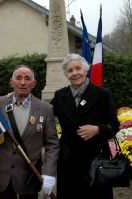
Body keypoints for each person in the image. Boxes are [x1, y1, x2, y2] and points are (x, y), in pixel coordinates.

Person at [51, 54, 120, 199]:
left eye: (78, 68)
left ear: (85, 69)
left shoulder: (103, 94)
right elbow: (42, 112)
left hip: (96, 158)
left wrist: (98, 129)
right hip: (68, 160)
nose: (75, 73)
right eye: (70, 70)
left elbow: (114, 126)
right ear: (66, 74)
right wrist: (18, 96)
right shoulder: (59, 96)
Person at [0, 65, 60, 199]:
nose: (23, 82)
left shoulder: (45, 108)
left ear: (33, 84)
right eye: (18, 78)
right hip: (2, 172)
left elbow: (52, 145)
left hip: (29, 174)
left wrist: (48, 173)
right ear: (11, 82)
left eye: (27, 78)